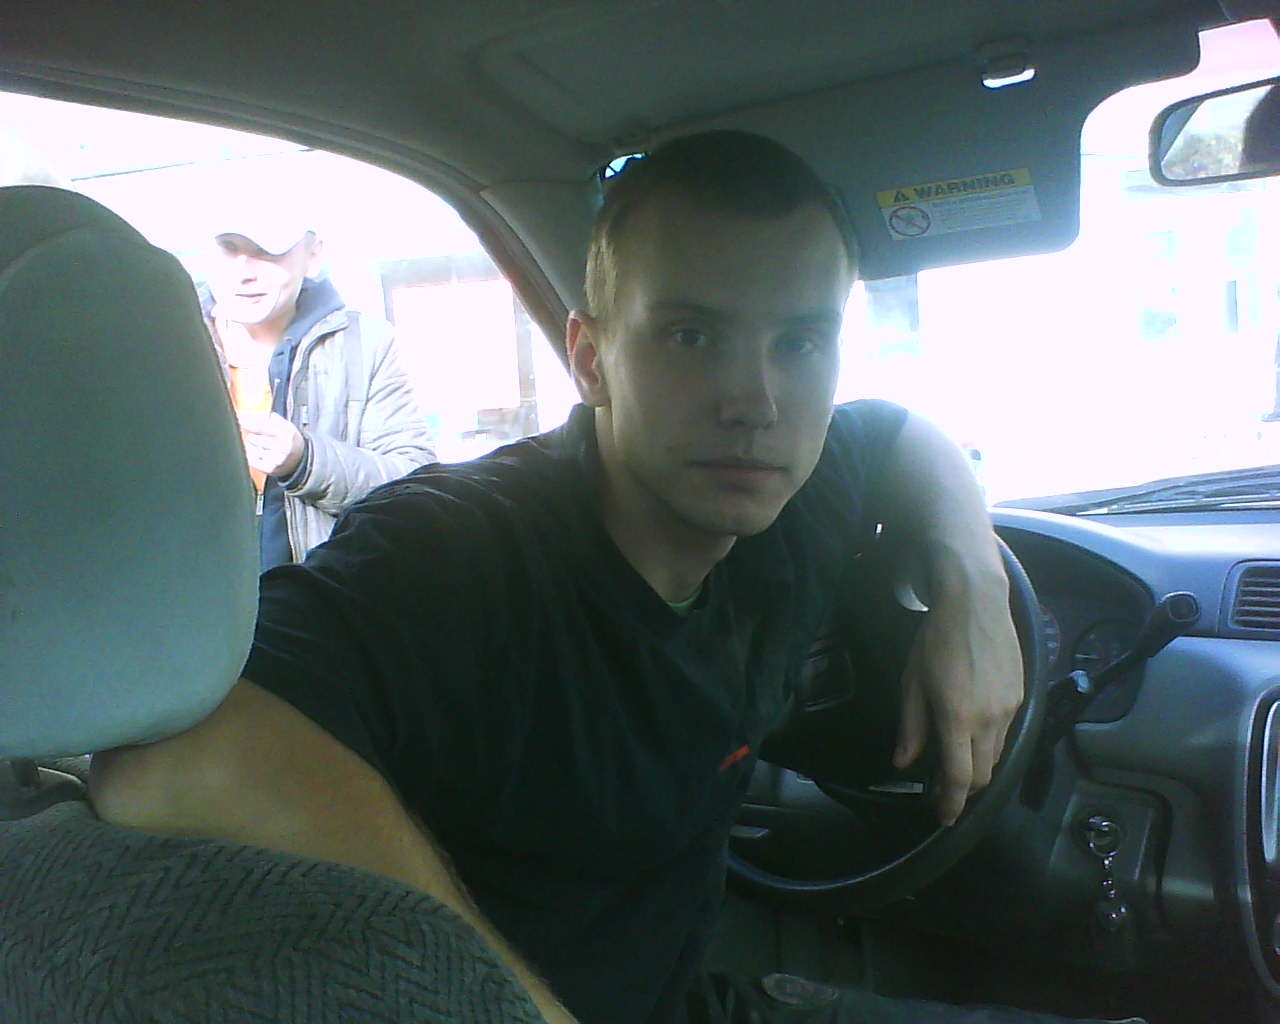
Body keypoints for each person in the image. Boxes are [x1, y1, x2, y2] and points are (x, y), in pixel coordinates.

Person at [93, 132, 1136, 1024]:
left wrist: (970, 591)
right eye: (691, 336)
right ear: (590, 360)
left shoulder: (785, 501)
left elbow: (898, 432)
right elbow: (174, 754)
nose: (756, 399)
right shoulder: (462, 551)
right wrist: (491, 998)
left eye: (800, 342)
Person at [203, 199, 436, 566]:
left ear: (312, 256)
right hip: (199, 591)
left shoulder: (367, 344)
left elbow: (415, 484)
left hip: (321, 589)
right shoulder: (167, 344)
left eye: (266, 252)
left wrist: (305, 460)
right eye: (229, 248)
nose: (244, 272)